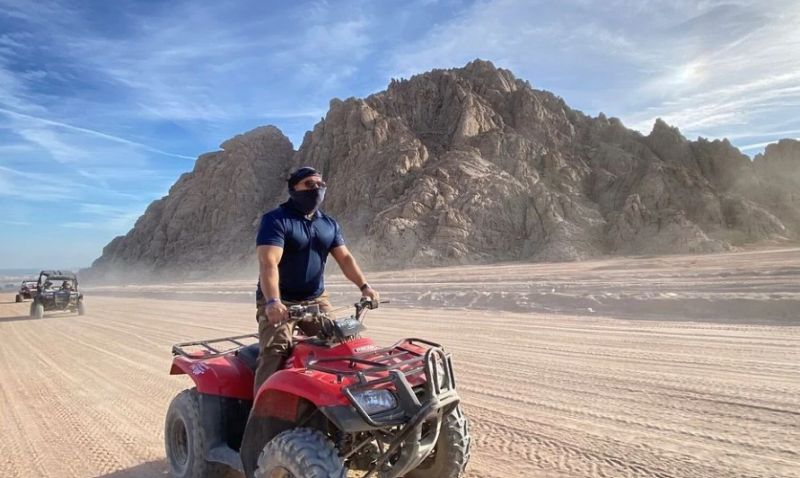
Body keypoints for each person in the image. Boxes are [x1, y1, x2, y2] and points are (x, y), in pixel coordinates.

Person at [253, 166, 379, 393]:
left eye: (321, 185)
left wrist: (365, 286)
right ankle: (261, 416)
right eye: (309, 185)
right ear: (294, 189)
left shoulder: (328, 224)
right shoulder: (276, 220)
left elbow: (345, 259)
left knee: (341, 342)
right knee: (275, 352)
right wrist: (273, 301)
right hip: (281, 301)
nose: (316, 189)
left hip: (315, 299)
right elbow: (268, 263)